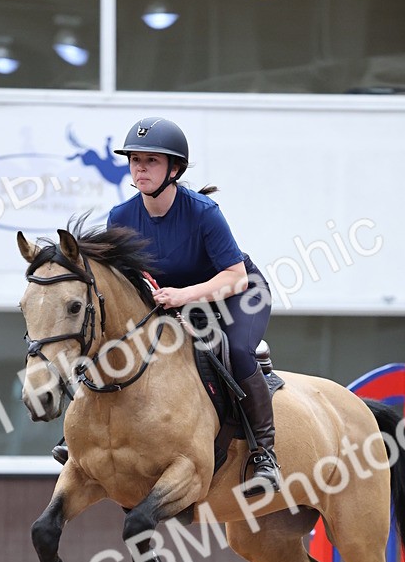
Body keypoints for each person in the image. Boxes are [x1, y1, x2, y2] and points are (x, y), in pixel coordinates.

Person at [107, 116, 280, 494]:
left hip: (239, 293)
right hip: (178, 303)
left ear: (175, 169)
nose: (140, 168)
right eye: (135, 159)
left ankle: (264, 455)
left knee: (236, 350)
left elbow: (234, 276)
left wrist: (184, 298)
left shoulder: (203, 212)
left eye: (151, 160)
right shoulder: (120, 218)